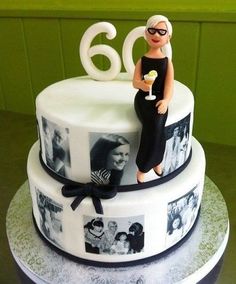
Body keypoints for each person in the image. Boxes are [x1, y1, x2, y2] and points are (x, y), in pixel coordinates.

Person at [133, 15, 174, 183]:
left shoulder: (167, 62)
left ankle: (157, 160)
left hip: (159, 99)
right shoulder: (142, 60)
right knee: (151, 123)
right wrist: (142, 85)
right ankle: (143, 167)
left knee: (158, 124)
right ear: (146, 33)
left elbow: (169, 86)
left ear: (168, 37)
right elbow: (135, 82)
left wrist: (165, 101)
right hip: (143, 98)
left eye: (161, 32)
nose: (156, 35)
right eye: (152, 30)